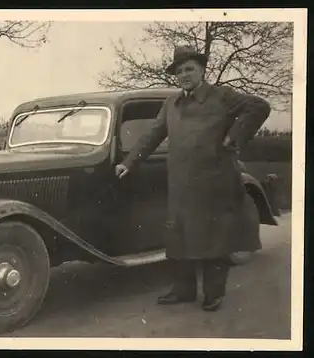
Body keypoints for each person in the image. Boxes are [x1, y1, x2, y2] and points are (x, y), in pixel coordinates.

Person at [115, 45, 271, 311]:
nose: (184, 75)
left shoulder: (222, 96)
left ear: (202, 70)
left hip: (216, 180)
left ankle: (213, 294)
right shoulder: (171, 103)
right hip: (181, 182)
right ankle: (184, 291)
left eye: (189, 69)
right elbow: (152, 134)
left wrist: (234, 135)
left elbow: (260, 106)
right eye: (179, 71)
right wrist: (129, 163)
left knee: (215, 239)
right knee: (180, 237)